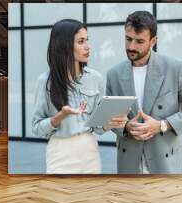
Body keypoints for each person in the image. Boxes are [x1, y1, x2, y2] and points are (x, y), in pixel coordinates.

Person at [106, 11, 182, 174]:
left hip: (164, 159)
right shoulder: (114, 74)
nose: (131, 46)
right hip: (129, 161)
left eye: (139, 41)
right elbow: (109, 117)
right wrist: (125, 127)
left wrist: (162, 125)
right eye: (128, 39)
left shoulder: (175, 68)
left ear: (153, 41)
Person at [32, 19, 128, 174]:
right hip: (59, 152)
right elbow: (37, 128)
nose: (88, 46)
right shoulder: (45, 82)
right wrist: (60, 116)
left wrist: (111, 122)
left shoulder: (95, 78)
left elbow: (97, 127)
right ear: (65, 45)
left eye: (87, 40)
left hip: (89, 150)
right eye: (81, 41)